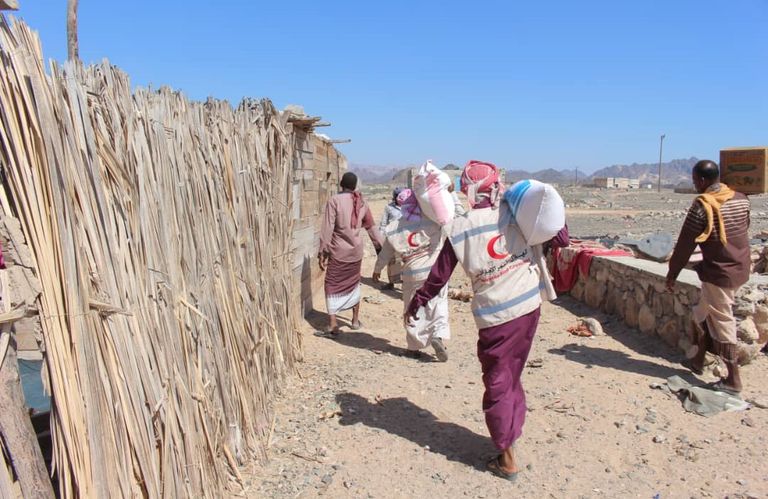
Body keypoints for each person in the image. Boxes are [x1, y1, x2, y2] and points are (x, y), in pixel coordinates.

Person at [405, 160, 554, 481]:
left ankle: (507, 456)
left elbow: (439, 276)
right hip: (529, 306)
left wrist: (417, 302)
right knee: (512, 373)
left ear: (466, 191)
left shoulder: (460, 228)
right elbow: (558, 234)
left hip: (497, 316)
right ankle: (511, 432)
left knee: (499, 380)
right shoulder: (514, 214)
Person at [666, 159, 751, 395]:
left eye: (694, 181)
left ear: (702, 180)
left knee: (722, 321)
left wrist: (673, 273)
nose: (694, 185)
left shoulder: (702, 206)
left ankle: (733, 379)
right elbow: (743, 229)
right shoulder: (741, 198)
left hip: (719, 272)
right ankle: (698, 360)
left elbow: (685, 244)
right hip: (740, 266)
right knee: (702, 313)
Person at [372, 188, 450, 361]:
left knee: (411, 308)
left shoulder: (394, 227)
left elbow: (386, 252)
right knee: (438, 302)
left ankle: (413, 347)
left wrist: (377, 269)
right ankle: (438, 333)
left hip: (411, 273)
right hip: (434, 271)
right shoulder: (432, 219)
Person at [318, 172, 382, 335]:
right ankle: (354, 321)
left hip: (339, 252)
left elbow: (328, 228)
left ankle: (333, 323)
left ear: (341, 184)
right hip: (356, 253)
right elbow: (371, 227)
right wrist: (381, 248)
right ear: (354, 186)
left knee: (332, 284)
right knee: (354, 283)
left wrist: (323, 252)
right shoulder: (362, 202)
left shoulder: (334, 201)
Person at [378, 188, 405, 290]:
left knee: (404, 261)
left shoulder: (407, 207)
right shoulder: (389, 208)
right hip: (391, 238)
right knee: (391, 261)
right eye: (397, 196)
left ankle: (405, 284)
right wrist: (381, 238)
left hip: (403, 238)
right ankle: (391, 283)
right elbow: (383, 224)